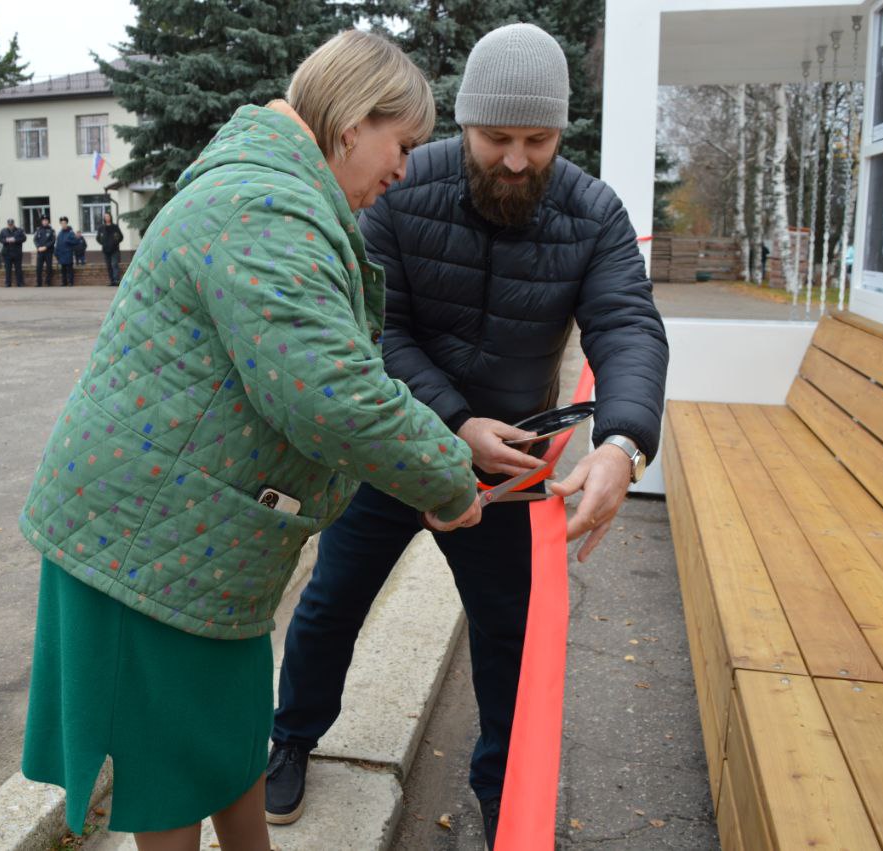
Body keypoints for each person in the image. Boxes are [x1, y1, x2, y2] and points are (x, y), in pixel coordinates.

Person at [17, 29, 483, 851]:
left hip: (189, 542)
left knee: (229, 747)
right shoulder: (266, 205)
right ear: (351, 123)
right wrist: (450, 475)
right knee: (172, 778)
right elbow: (330, 392)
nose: (405, 169)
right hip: (147, 547)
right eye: (401, 144)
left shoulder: (273, 190)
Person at [267, 23, 669, 847]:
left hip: (513, 472)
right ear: (463, 122)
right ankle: (292, 738)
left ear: (563, 131)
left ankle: (503, 797)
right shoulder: (403, 185)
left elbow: (627, 327)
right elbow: (376, 330)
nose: (518, 160)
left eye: (539, 139)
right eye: (497, 139)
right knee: (330, 603)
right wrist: (454, 420)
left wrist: (624, 444)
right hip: (393, 449)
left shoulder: (593, 213)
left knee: (509, 641)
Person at [94, 212, 123, 286]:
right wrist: (103, 243)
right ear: (104, 218)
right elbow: (98, 238)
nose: (107, 218)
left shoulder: (115, 227)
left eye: (108, 216)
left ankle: (116, 280)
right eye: (105, 216)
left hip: (114, 250)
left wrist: (115, 242)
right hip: (106, 250)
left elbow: (120, 237)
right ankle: (112, 281)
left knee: (114, 264)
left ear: (110, 217)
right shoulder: (101, 228)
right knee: (109, 266)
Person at [0, 218, 25, 287]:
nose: (10, 226)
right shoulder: (3, 231)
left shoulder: (19, 230)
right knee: (8, 269)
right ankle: (8, 283)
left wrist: (15, 240)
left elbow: (24, 238)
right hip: (7, 253)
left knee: (18, 269)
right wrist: (6, 240)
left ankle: (19, 283)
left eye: (11, 224)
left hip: (17, 252)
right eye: (9, 225)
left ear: (14, 224)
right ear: (7, 224)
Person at [54, 216, 80, 286]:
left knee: (69, 270)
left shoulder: (71, 233)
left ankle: (71, 282)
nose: (63, 225)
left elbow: (76, 241)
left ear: (67, 223)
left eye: (64, 223)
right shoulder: (60, 233)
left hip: (68, 254)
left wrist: (69, 241)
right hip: (61, 254)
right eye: (62, 223)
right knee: (63, 270)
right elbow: (58, 244)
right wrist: (56, 253)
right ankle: (64, 282)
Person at [32, 216, 56, 286]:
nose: (45, 222)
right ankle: (39, 283)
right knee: (39, 268)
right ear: (42, 222)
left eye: (46, 220)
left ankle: (48, 282)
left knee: (49, 268)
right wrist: (38, 247)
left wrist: (46, 247)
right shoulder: (38, 230)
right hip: (40, 252)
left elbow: (53, 240)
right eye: (43, 220)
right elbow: (35, 239)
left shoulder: (51, 230)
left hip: (48, 252)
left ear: (48, 221)